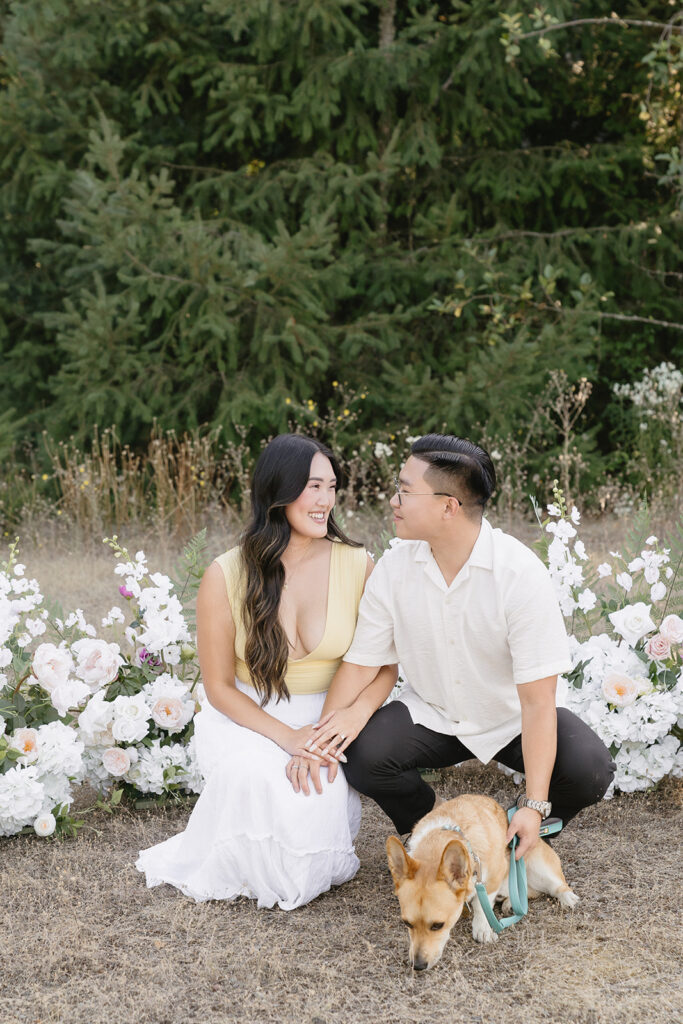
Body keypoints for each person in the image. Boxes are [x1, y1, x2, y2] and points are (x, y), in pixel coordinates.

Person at [302, 434, 615, 859]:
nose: (393, 500)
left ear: (448, 507)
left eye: (405, 491)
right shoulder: (394, 568)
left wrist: (534, 805)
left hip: (512, 717)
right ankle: (435, 826)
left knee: (589, 768)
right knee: (364, 756)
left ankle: (510, 843)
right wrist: (321, 741)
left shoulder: (519, 574)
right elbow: (360, 666)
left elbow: (539, 703)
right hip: (435, 711)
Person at [136, 434, 395, 909]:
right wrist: (287, 737)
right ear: (278, 490)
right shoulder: (226, 574)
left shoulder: (358, 565)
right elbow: (217, 687)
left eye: (332, 487)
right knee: (255, 780)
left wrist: (342, 725)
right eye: (312, 486)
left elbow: (385, 667)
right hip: (251, 714)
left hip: (330, 714)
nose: (325, 500)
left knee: (310, 800)